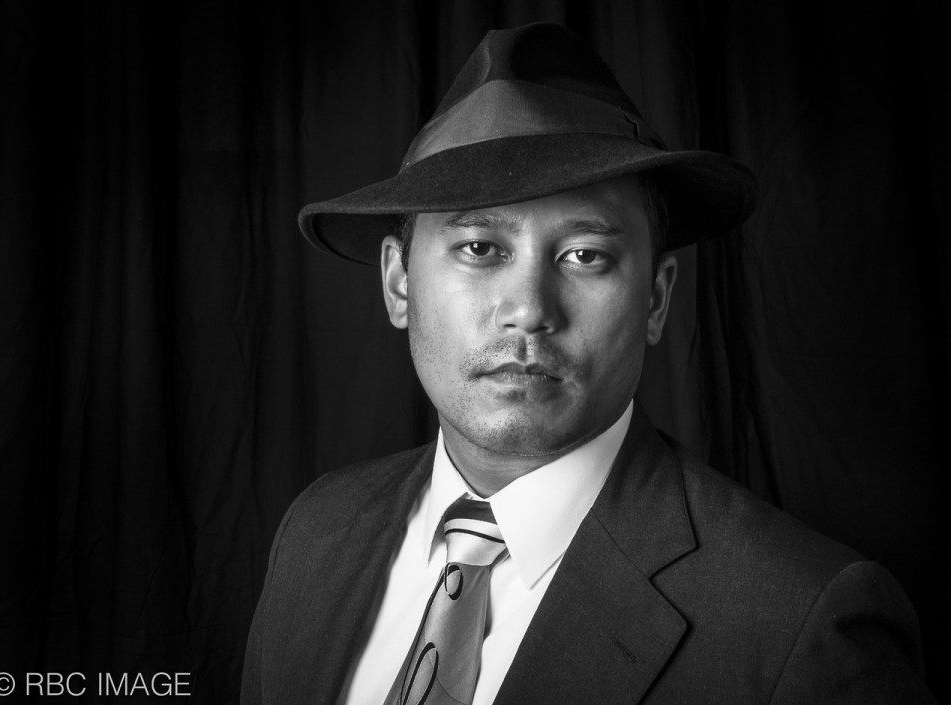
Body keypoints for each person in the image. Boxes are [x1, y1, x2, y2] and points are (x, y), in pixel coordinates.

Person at [241, 23, 935, 705]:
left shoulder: (806, 626)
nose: (528, 309)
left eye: (585, 255)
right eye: (479, 247)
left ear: (656, 299)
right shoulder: (315, 533)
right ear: (398, 283)